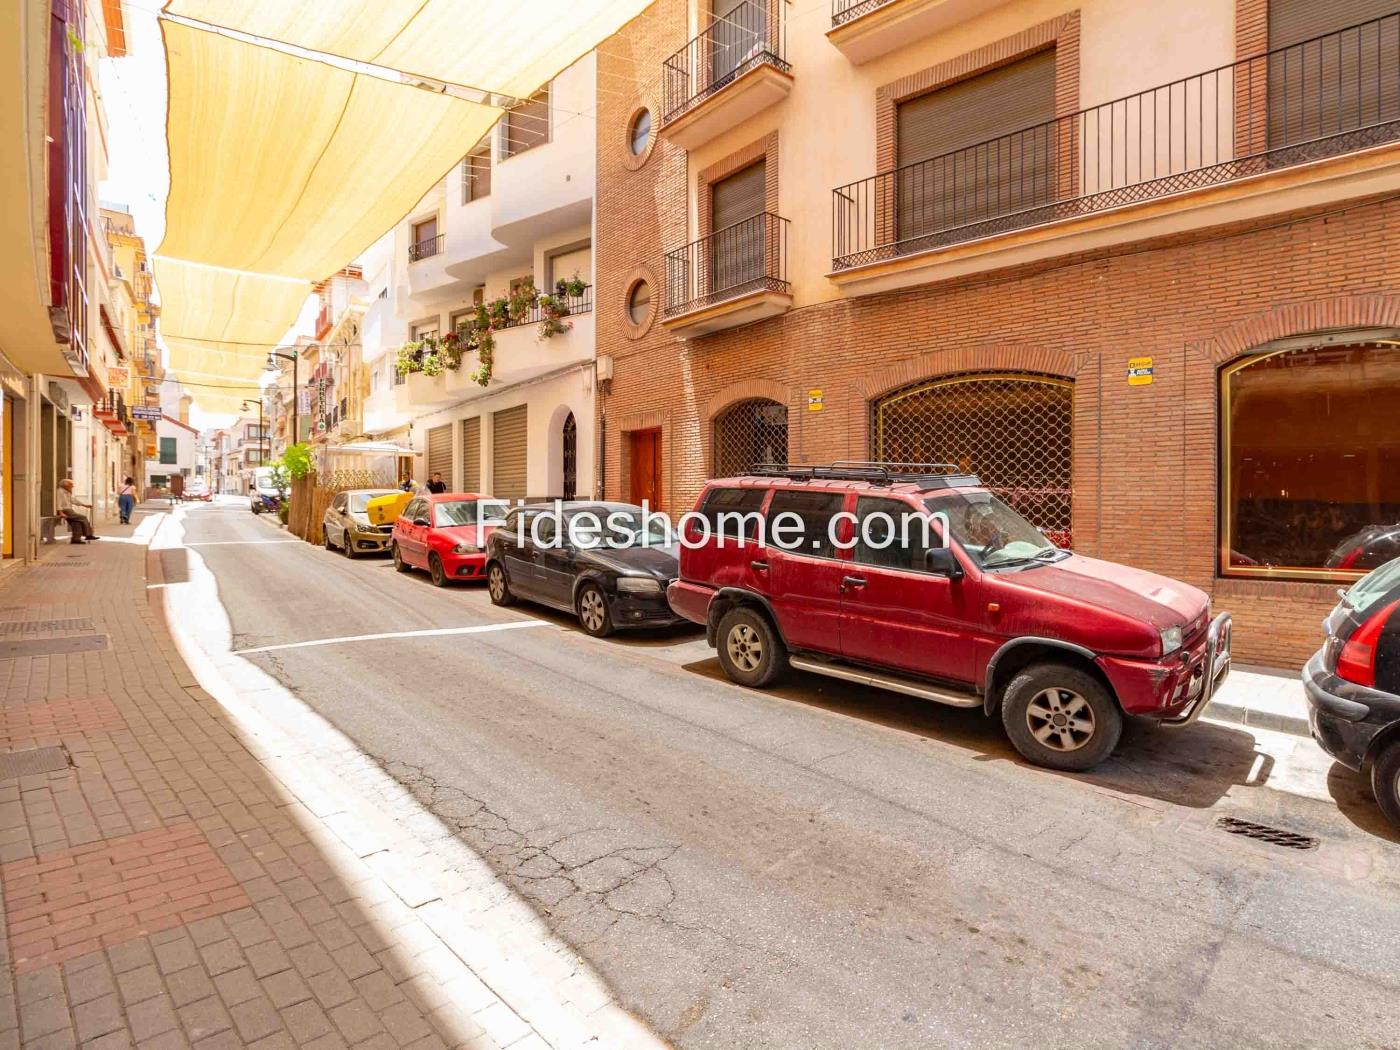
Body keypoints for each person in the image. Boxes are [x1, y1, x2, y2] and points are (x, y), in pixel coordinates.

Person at [56, 478, 97, 543]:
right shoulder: (60, 491)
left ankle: (76, 539)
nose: (73, 486)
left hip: (69, 510)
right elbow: (58, 502)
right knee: (83, 518)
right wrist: (60, 512)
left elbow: (73, 500)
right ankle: (88, 535)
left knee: (76, 522)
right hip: (65, 510)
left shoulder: (67, 492)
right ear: (66, 485)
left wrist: (84, 505)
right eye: (71, 484)